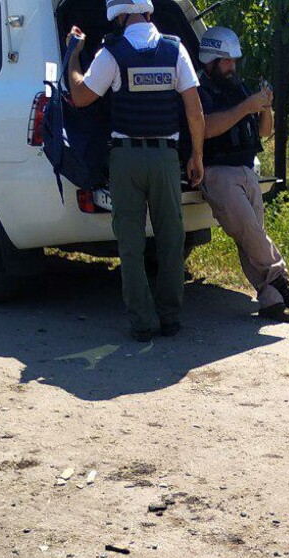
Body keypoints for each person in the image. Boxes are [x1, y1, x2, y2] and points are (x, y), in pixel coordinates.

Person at [66, 0, 205, 342]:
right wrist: (197, 156)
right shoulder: (175, 50)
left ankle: (143, 322)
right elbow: (194, 111)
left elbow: (81, 97)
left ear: (119, 16)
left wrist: (73, 56)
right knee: (171, 239)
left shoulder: (111, 53)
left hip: (126, 160)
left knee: (130, 243)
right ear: (147, 11)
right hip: (165, 159)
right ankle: (170, 317)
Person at [195, 27, 289, 322]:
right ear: (211, 61)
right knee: (250, 231)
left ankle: (271, 300)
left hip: (246, 169)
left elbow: (264, 132)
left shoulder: (239, 88)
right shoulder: (200, 90)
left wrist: (265, 107)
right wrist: (247, 106)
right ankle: (281, 280)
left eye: (234, 61)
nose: (233, 67)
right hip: (218, 172)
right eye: (227, 61)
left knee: (250, 237)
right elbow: (205, 128)